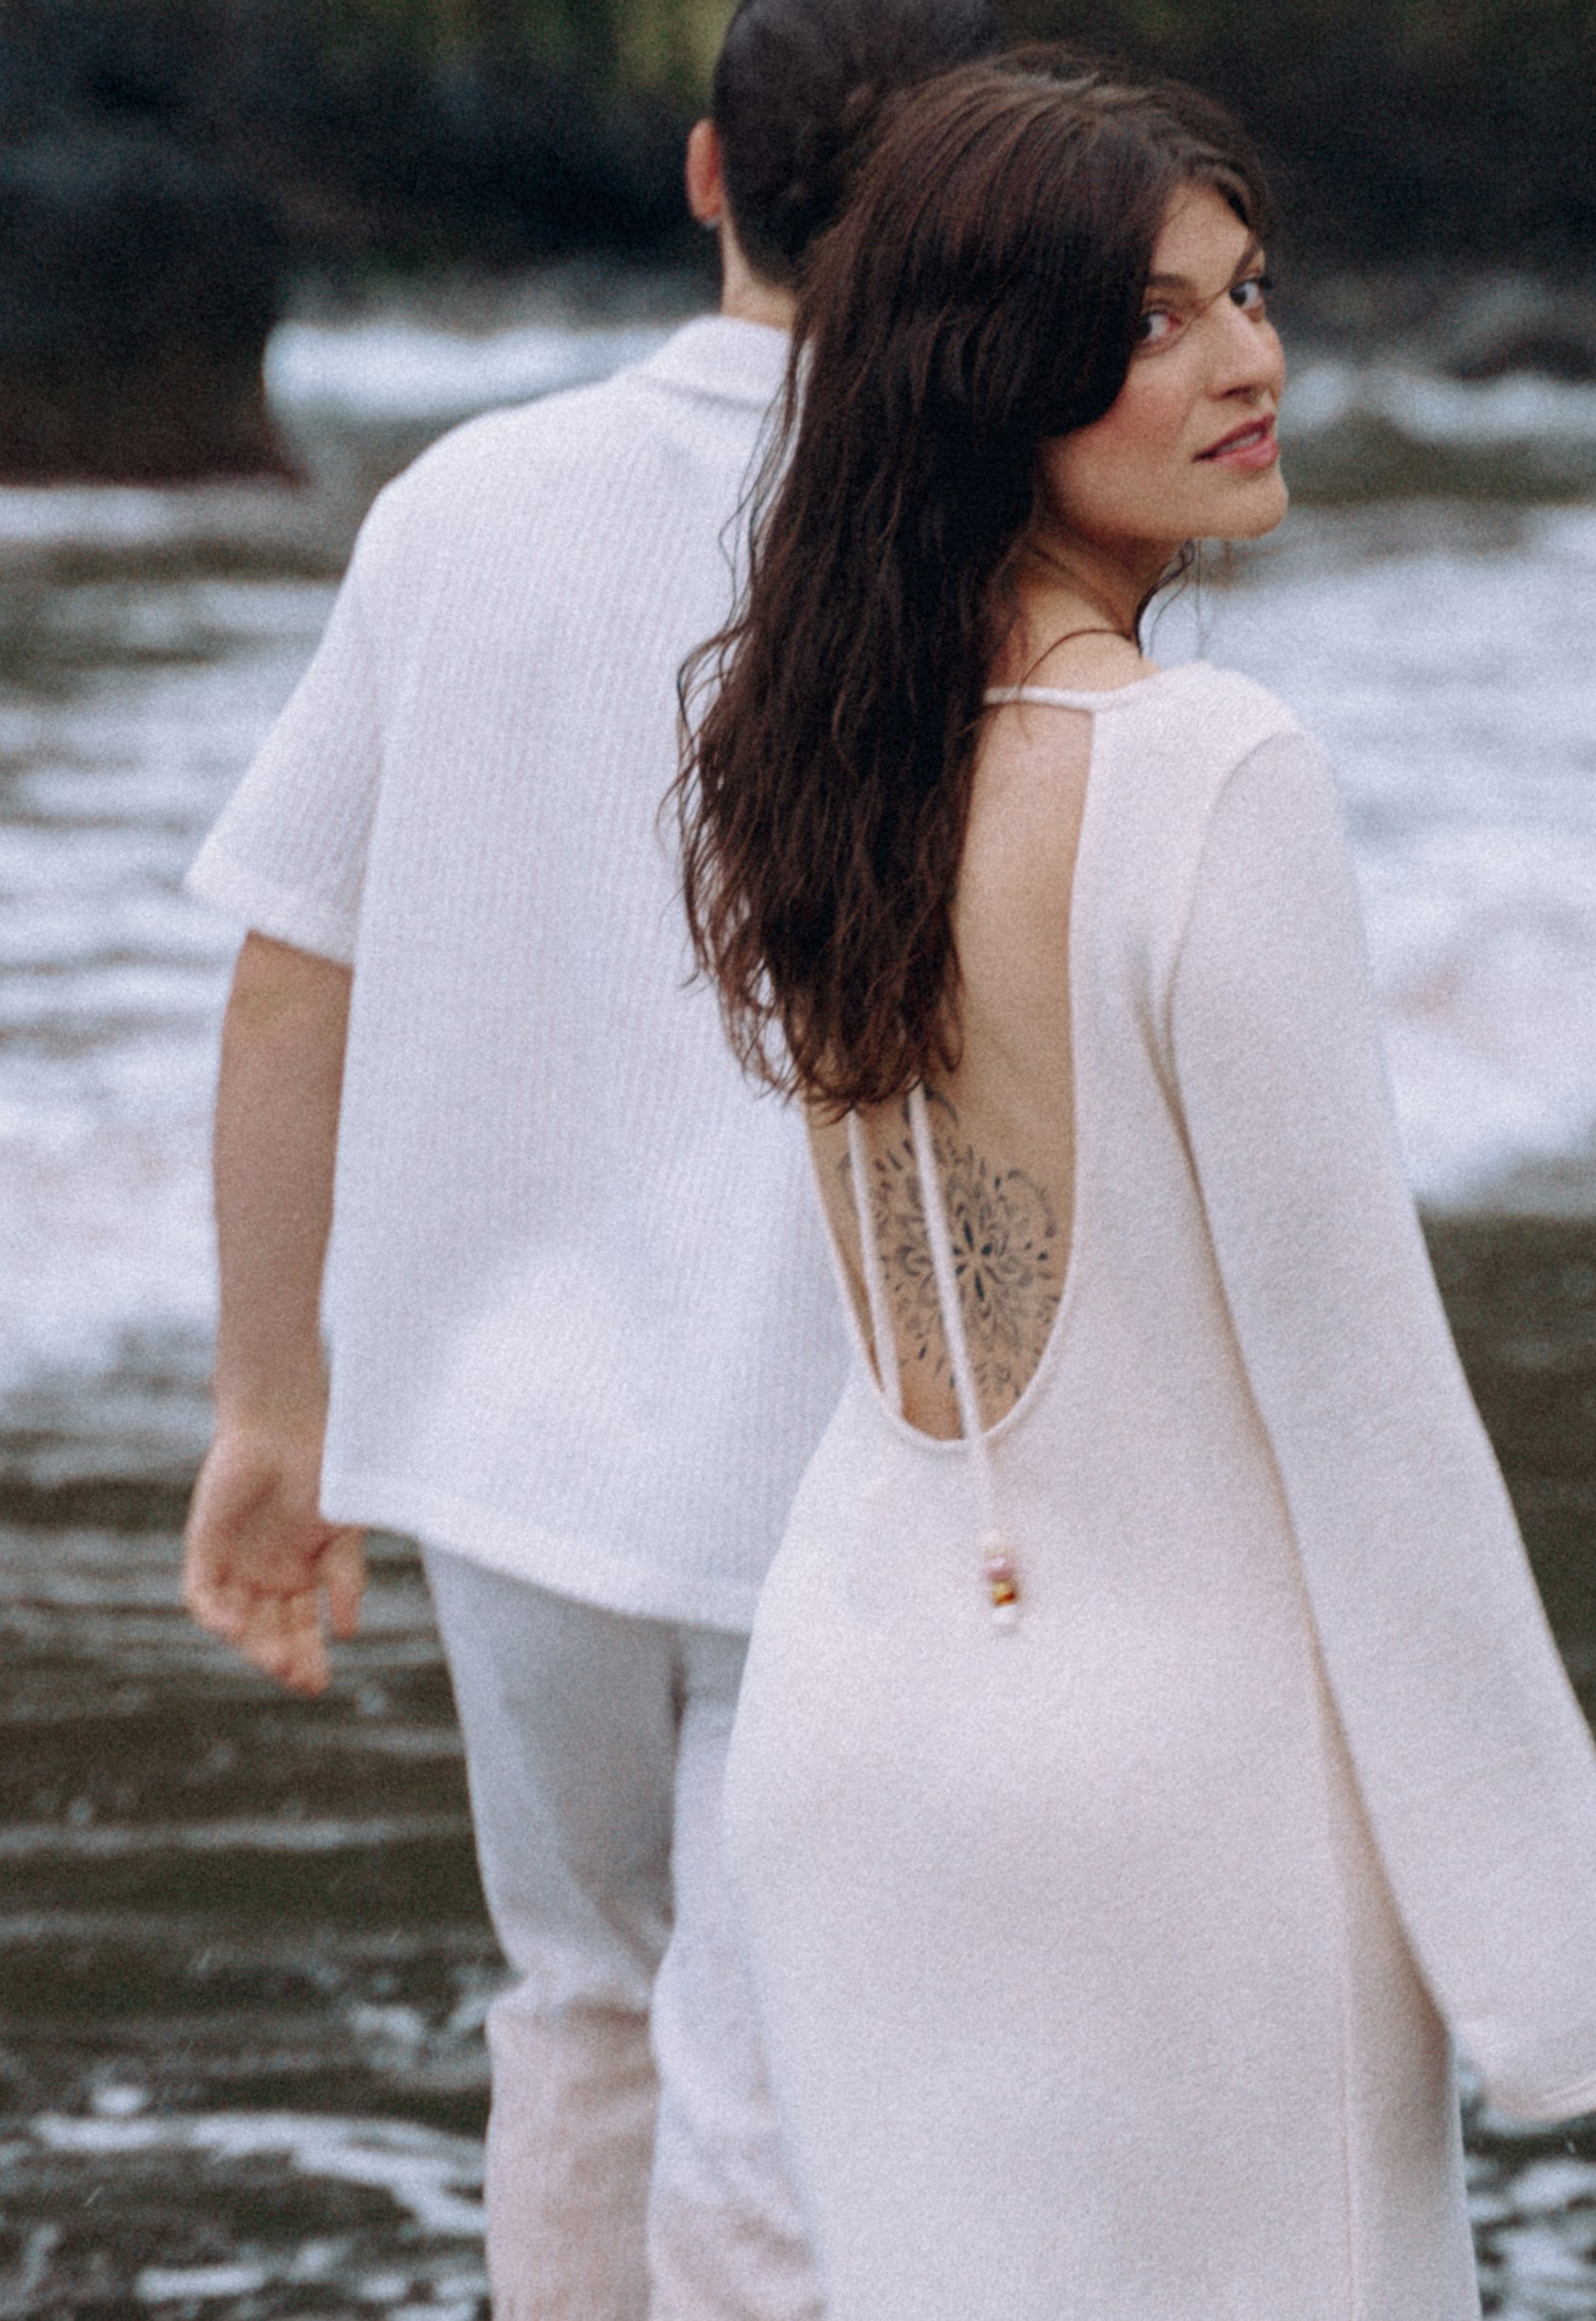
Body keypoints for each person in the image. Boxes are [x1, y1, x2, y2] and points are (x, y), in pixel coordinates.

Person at [678, 52, 1596, 2318]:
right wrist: (1558, 1984)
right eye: (1153, 319)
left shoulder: (811, 753)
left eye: (1247, 292)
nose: (1248, 362)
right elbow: (1364, 1408)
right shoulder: (1207, 771)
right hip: (1178, 1803)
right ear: (985, 371)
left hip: (853, 1739)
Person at [178, 4, 998, 2316]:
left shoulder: (463, 501)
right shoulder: (974, 531)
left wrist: (270, 1402)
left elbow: (288, 976)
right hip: (842, 1435)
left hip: (502, 1435)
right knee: (780, 2067)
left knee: (578, 2001)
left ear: (707, 170)